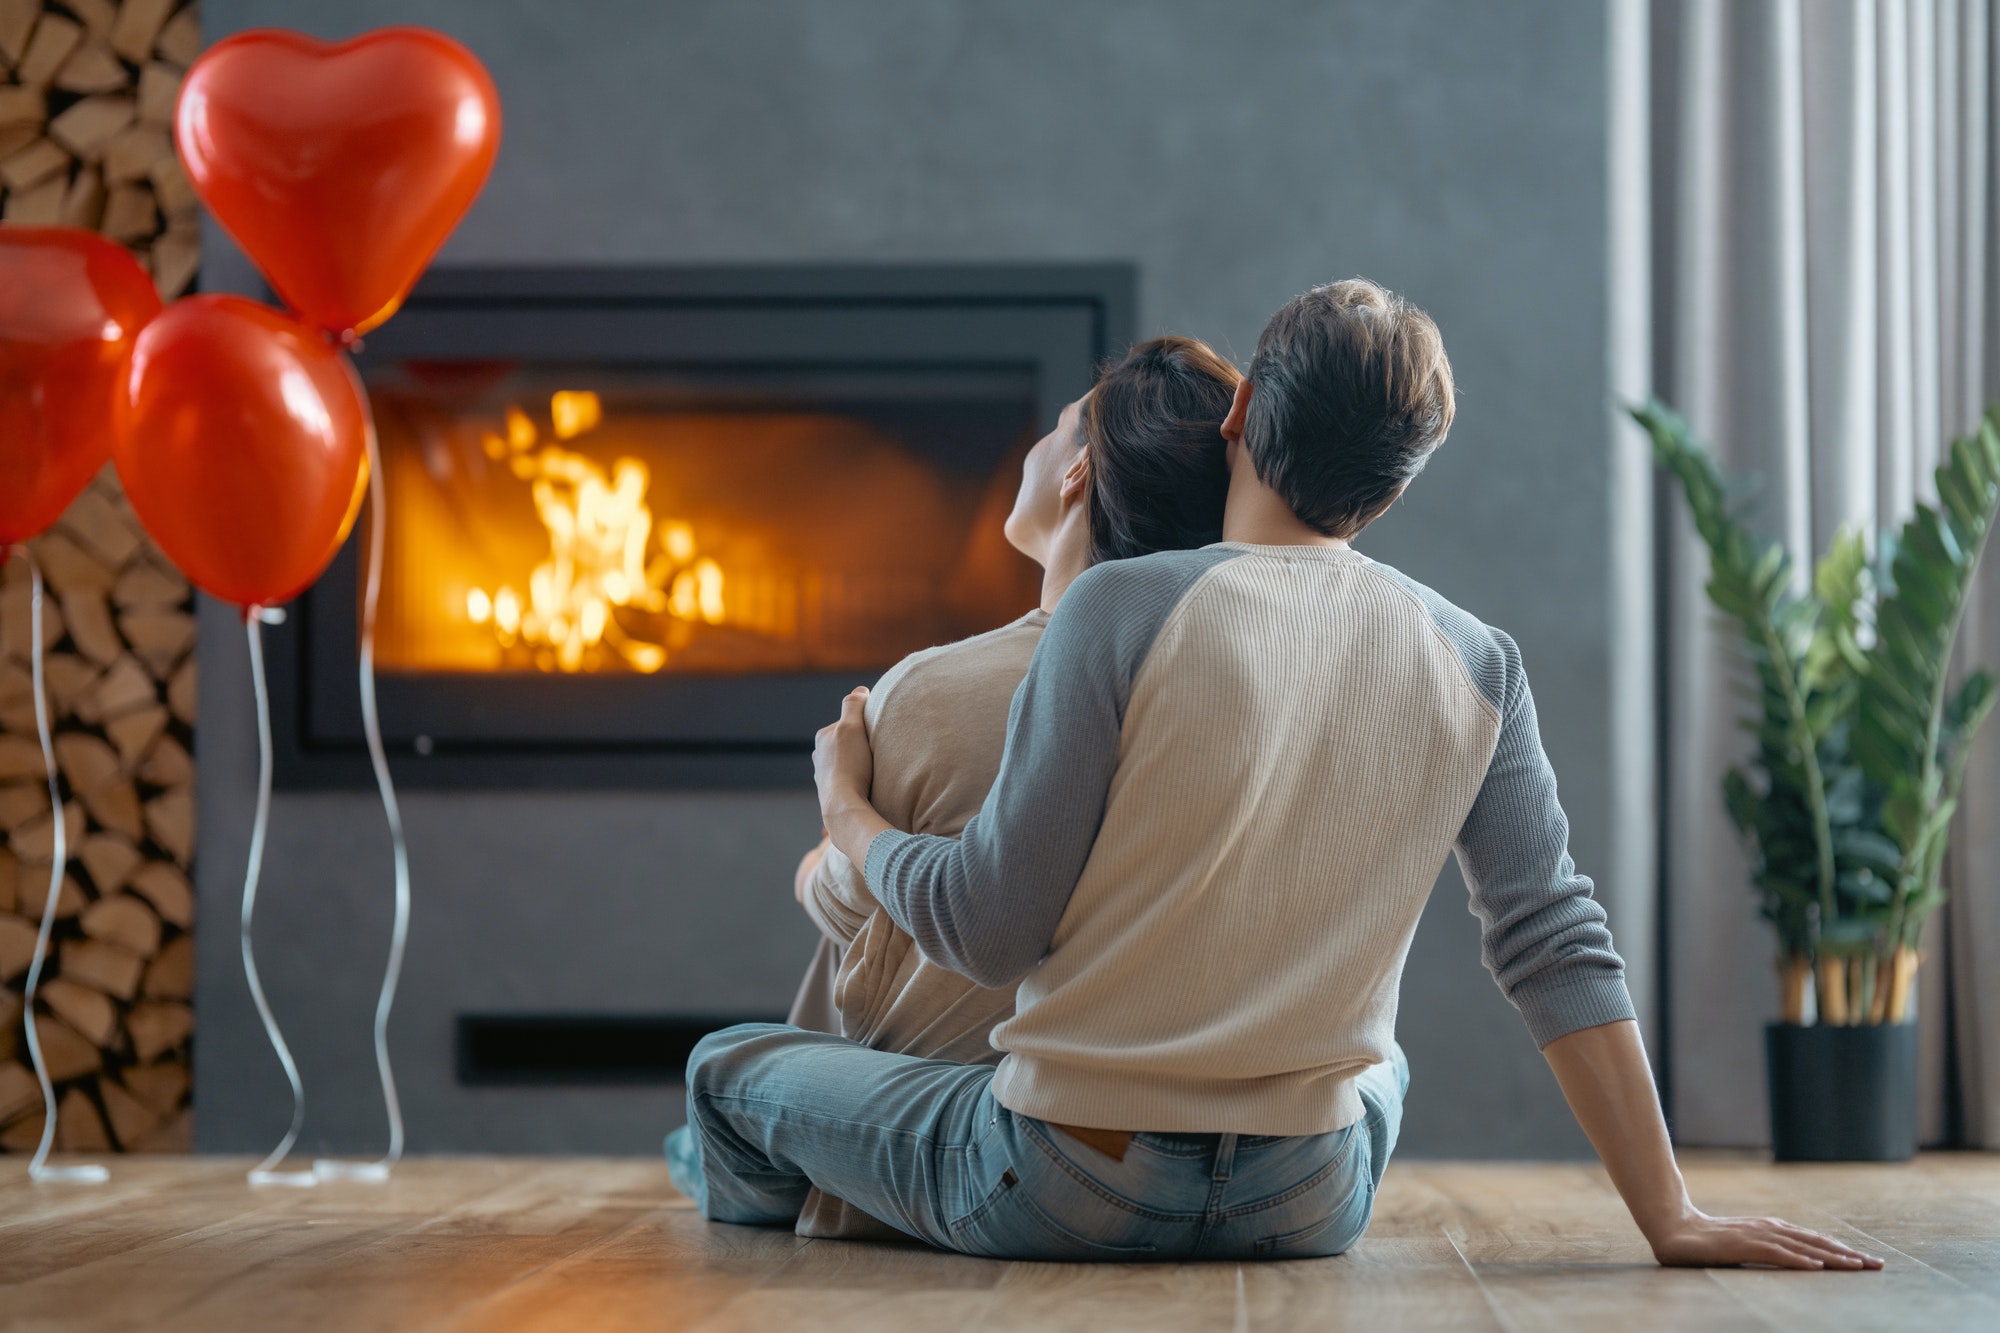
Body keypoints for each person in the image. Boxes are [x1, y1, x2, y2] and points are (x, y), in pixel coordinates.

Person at [678, 280, 1883, 1271]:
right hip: (1309, 1198)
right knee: (1379, 1058)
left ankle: (833, 1204)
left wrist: (847, 813)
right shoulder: (1476, 658)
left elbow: (987, 929)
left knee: (728, 1071)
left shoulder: (1115, 607)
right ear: (1397, 485)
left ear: (1239, 410)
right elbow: (1555, 943)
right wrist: (1669, 1215)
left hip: (1064, 1180)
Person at [671, 334, 1241, 1240]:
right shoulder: (1238, 689)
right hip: (1217, 1123)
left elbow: (854, 906)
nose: (1035, 448)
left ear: (1077, 476)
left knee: (725, 1067)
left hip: (1003, 1118)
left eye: (1055, 431)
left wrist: (838, 826)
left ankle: (766, 1172)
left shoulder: (933, 692)